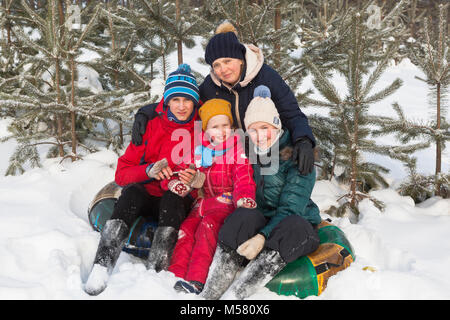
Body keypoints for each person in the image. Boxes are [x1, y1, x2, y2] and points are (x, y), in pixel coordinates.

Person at [131, 21, 316, 177]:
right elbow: (185, 104)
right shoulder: (212, 86)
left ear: (241, 59)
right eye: (216, 65)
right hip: (233, 154)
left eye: (228, 61)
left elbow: (292, 114)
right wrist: (146, 113)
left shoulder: (266, 77)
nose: (223, 70)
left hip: (268, 148)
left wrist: (304, 140)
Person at [84, 64, 204, 296]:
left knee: (172, 198)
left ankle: (156, 271)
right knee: (131, 193)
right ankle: (102, 265)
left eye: (187, 100)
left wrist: (192, 179)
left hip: (176, 199)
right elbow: (122, 174)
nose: (181, 106)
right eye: (175, 99)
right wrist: (148, 171)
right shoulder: (150, 125)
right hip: (147, 194)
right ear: (167, 101)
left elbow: (209, 169)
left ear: (195, 103)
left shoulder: (200, 130)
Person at [200, 85, 322, 300]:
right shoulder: (246, 151)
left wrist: (262, 237)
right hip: (261, 218)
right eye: (253, 130)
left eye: (265, 128)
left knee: (294, 225)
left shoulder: (297, 156)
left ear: (276, 126)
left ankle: (236, 297)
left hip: (294, 223)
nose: (259, 136)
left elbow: (291, 208)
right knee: (241, 217)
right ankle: (211, 293)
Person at [168, 98, 257, 295]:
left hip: (224, 203)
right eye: (215, 126)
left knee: (207, 229)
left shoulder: (237, 151)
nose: (222, 130)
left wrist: (243, 197)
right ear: (206, 130)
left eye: (226, 125)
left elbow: (244, 178)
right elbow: (183, 170)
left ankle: (196, 279)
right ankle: (175, 273)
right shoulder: (200, 151)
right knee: (186, 229)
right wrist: (178, 182)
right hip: (201, 203)